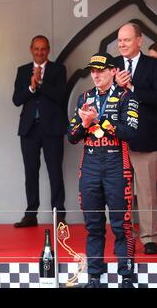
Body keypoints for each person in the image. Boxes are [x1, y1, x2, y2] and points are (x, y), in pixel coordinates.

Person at [68, 52, 139, 288]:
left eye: (101, 70)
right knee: (93, 225)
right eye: (93, 71)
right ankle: (94, 277)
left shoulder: (127, 97)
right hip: (89, 165)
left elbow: (131, 133)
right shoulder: (84, 98)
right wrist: (85, 124)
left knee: (122, 225)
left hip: (117, 165)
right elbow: (71, 136)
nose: (96, 74)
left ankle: (127, 276)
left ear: (113, 71)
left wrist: (101, 122)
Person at [12, 35, 67, 227]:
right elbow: (17, 99)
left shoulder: (59, 69)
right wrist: (31, 86)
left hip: (52, 128)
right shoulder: (22, 70)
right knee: (30, 172)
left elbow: (60, 96)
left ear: (48, 50)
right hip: (29, 129)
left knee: (55, 172)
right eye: (36, 49)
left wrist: (41, 84)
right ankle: (30, 214)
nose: (39, 52)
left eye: (43, 49)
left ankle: (59, 215)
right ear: (31, 49)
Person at [115, 23, 157, 255]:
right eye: (120, 40)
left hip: (146, 137)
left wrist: (130, 86)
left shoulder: (153, 65)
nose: (122, 44)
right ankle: (123, 236)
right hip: (117, 139)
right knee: (119, 190)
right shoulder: (113, 64)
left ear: (139, 41)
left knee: (147, 190)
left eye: (127, 40)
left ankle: (149, 237)